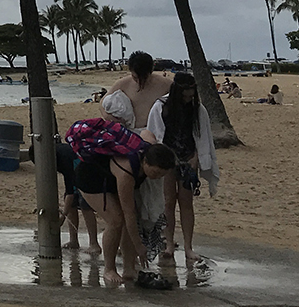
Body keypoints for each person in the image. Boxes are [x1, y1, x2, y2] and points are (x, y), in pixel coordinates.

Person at [74, 133, 177, 286]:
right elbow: (129, 213)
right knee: (116, 220)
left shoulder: (148, 149)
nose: (156, 177)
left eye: (161, 175)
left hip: (110, 179)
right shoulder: (126, 172)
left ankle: (129, 269)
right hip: (90, 179)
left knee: (129, 221)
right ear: (145, 162)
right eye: (155, 173)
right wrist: (139, 246)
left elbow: (146, 133)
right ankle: (109, 269)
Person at [147, 72, 218, 264]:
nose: (188, 99)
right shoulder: (161, 107)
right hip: (167, 160)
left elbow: (202, 136)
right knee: (168, 202)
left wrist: (196, 157)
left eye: (191, 95)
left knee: (186, 203)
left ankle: (188, 247)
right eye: (185, 96)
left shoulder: (197, 109)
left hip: (188, 159)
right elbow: (155, 134)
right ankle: (169, 244)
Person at [107, 51, 171, 129]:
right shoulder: (123, 84)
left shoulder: (166, 84)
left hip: (155, 131)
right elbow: (103, 103)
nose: (139, 81)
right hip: (131, 130)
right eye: (135, 77)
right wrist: (110, 117)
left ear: (151, 71)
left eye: (144, 78)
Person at [55, 142, 100, 253]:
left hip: (85, 169)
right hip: (76, 169)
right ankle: (73, 241)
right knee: (72, 203)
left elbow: (70, 192)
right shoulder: (57, 153)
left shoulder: (63, 159)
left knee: (85, 204)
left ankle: (94, 244)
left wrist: (62, 217)